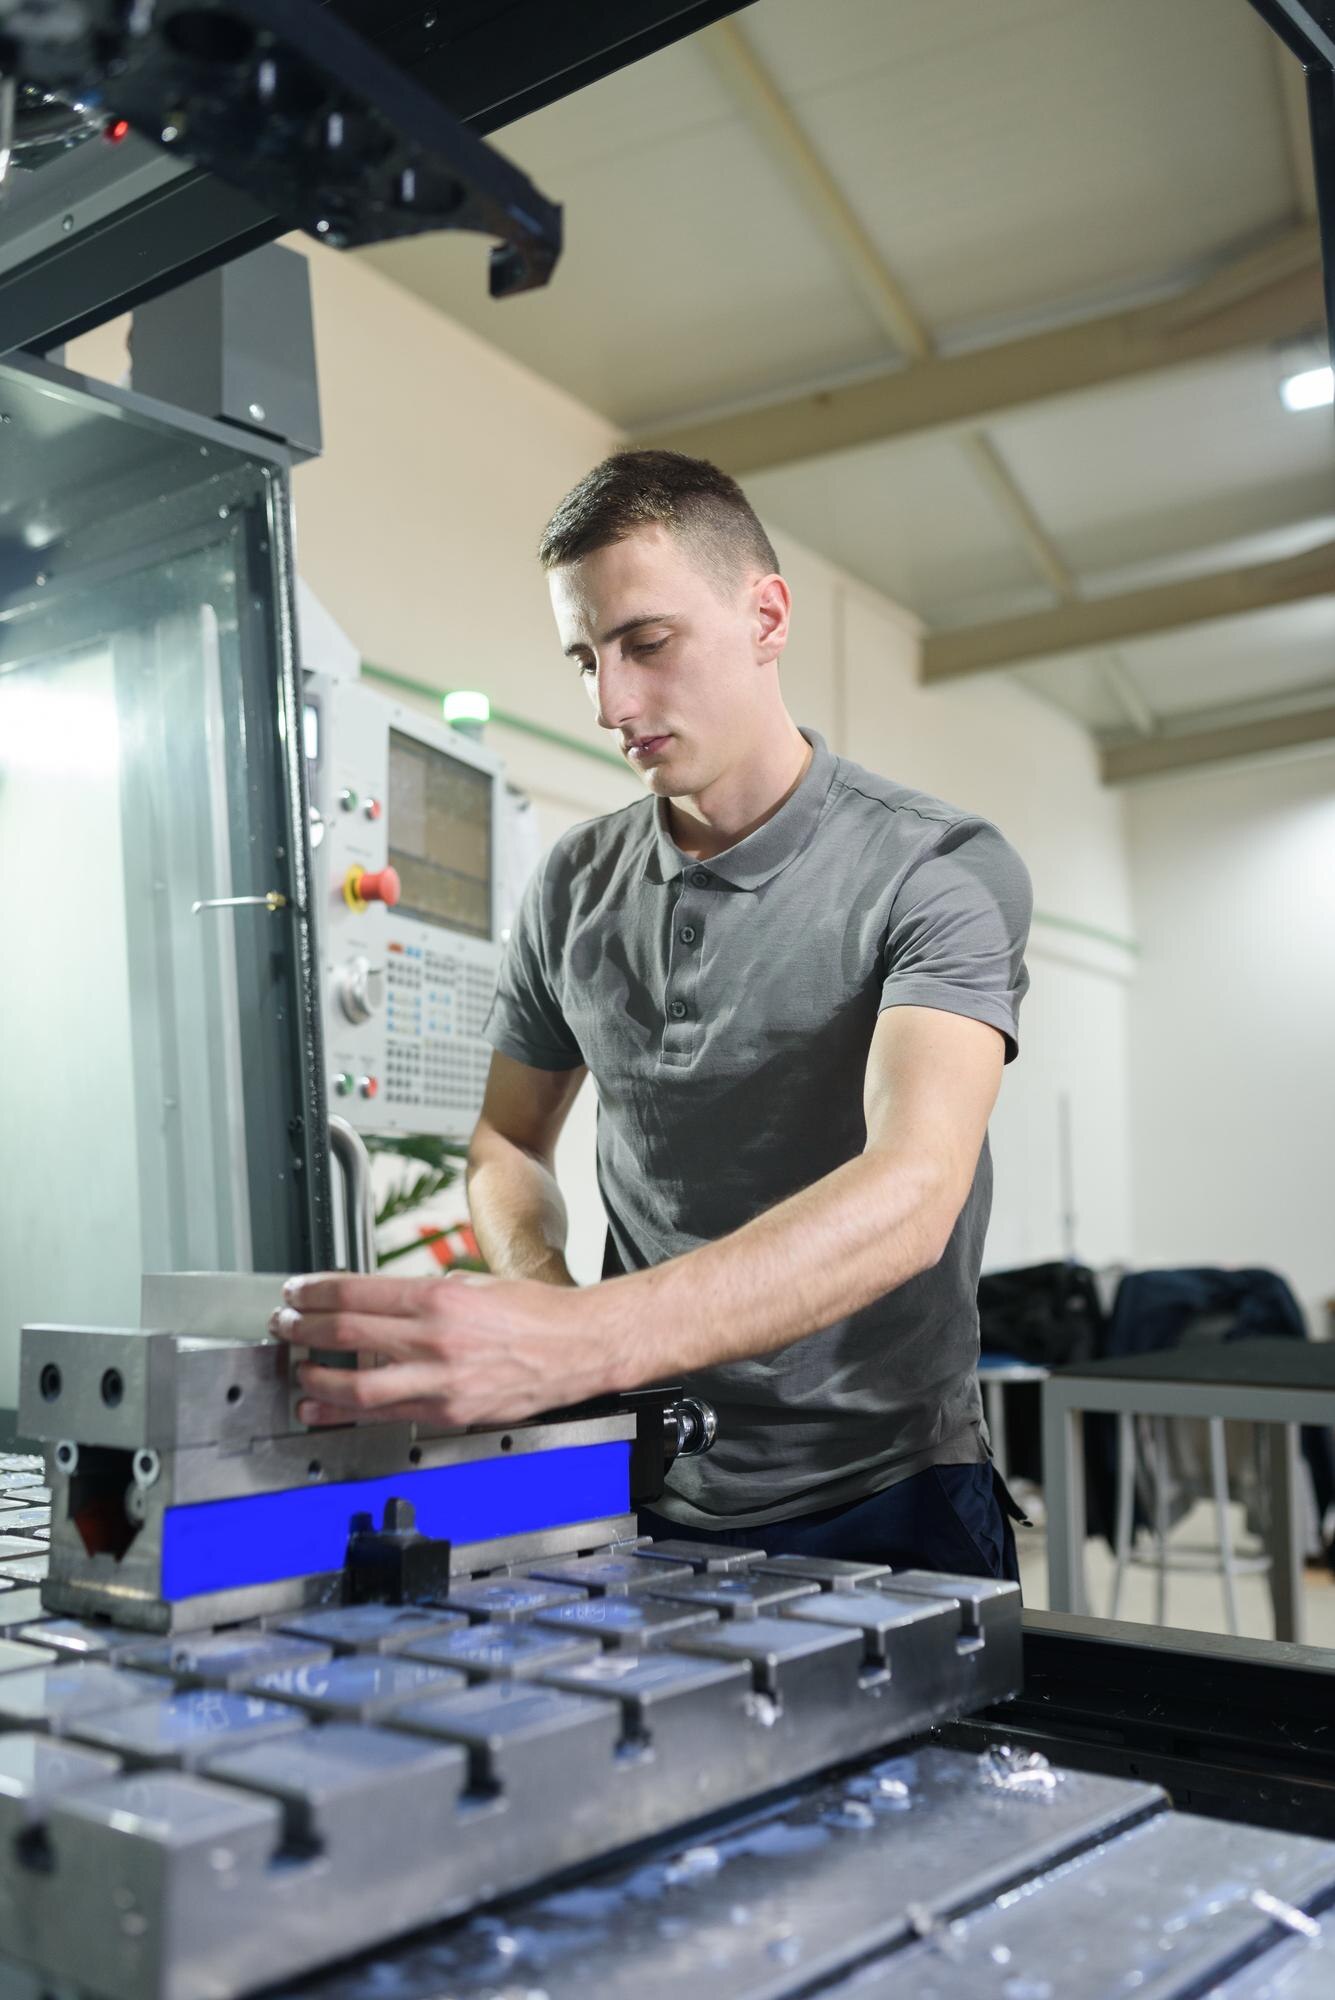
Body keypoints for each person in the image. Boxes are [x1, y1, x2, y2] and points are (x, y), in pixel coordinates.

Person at [272, 450, 1032, 1578]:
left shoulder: (938, 868)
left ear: (765, 614)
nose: (610, 703)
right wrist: (541, 1297)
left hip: (890, 1488)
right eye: (584, 657)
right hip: (641, 1472)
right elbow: (505, 1142)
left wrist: (583, 1338)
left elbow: (915, 1189)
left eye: (646, 643)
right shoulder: (574, 886)